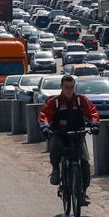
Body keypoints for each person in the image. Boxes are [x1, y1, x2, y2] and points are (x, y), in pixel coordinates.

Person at [37, 74, 100, 204]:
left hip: (77, 135)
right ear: (61, 87)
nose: (69, 90)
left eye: (71, 87)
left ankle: (81, 193)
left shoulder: (80, 100)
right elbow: (45, 115)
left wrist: (95, 124)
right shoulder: (54, 101)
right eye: (66, 87)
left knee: (85, 164)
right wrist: (45, 127)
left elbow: (92, 112)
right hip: (60, 134)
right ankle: (55, 169)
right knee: (54, 147)